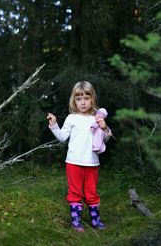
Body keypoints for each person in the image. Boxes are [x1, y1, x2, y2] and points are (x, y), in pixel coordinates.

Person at [47, 81, 112, 232]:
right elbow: (62, 137)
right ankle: (76, 221)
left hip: (92, 162)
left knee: (92, 193)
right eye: (78, 99)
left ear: (92, 99)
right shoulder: (72, 118)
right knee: (75, 192)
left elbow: (106, 139)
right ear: (74, 100)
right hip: (74, 162)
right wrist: (54, 125)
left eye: (86, 98)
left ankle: (95, 220)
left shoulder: (97, 117)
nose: (82, 102)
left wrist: (105, 127)